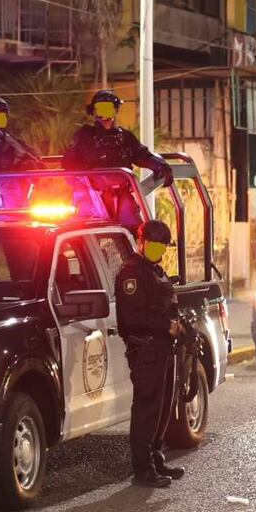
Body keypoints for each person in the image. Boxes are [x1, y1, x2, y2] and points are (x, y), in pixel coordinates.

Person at [116, 220, 186, 487]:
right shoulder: (132, 273)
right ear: (140, 241)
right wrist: (166, 325)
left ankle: (156, 459)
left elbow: (165, 305)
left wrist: (181, 327)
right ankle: (143, 469)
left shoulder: (154, 270)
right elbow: (133, 316)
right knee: (146, 409)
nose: (158, 249)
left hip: (162, 348)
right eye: (153, 244)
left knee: (162, 407)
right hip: (145, 349)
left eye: (162, 245)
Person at [62, 90, 174, 229]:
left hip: (122, 195)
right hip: (92, 196)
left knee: (133, 231)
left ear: (115, 110)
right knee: (89, 233)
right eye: (101, 109)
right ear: (94, 111)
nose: (105, 114)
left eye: (109, 108)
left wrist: (161, 166)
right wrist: (83, 187)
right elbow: (69, 163)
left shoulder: (125, 137)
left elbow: (142, 155)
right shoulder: (84, 136)